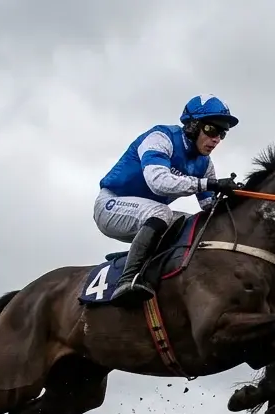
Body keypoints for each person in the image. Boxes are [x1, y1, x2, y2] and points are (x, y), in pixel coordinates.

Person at [93, 94, 242, 305]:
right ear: (192, 126)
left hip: (146, 216)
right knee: (161, 213)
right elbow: (158, 182)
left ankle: (146, 264)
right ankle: (127, 280)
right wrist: (209, 184)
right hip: (111, 205)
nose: (216, 139)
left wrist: (235, 200)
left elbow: (209, 207)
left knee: (194, 225)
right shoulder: (161, 138)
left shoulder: (205, 164)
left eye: (222, 133)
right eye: (212, 129)